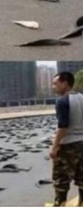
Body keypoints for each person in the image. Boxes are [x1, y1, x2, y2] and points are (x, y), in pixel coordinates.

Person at [50, 72, 83, 207]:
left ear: (64, 83)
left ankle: (60, 203)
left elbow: (63, 127)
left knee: (61, 180)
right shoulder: (82, 97)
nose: (53, 87)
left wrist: (55, 146)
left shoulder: (62, 101)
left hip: (68, 145)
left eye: (55, 84)